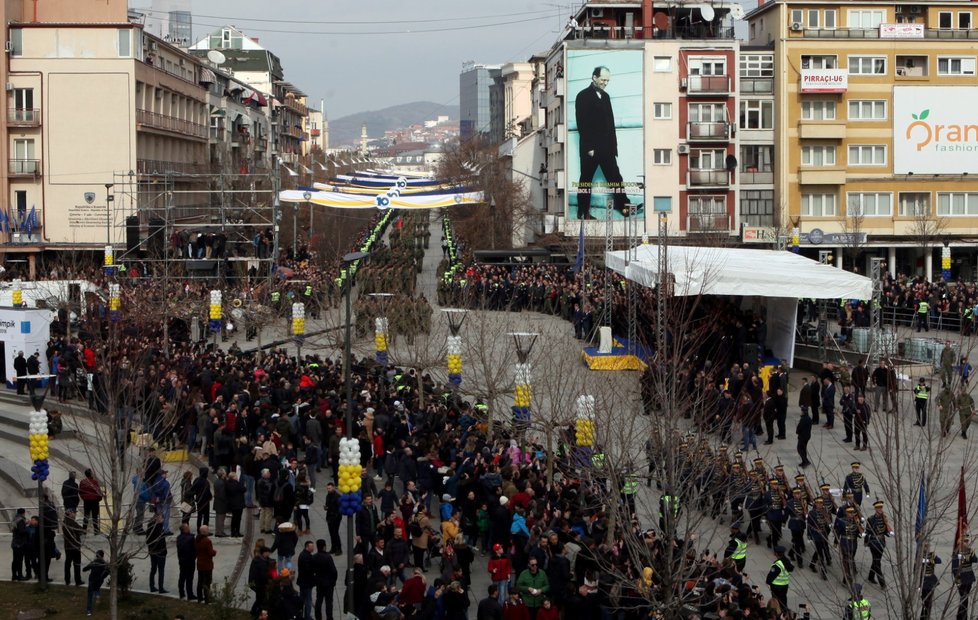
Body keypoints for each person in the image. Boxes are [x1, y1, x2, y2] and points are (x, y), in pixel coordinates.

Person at [573, 66, 630, 220]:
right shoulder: (582, 96)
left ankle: (624, 207)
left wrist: (614, 147)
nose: (605, 83)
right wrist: (589, 147)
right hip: (591, 149)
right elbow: (582, 123)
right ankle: (583, 212)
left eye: (607, 80)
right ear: (594, 78)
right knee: (586, 181)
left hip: (607, 148)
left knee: (616, 178)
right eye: (603, 80)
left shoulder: (606, 97)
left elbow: (610, 124)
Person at [865, 500, 892, 588]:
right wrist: (866, 543)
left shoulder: (884, 518)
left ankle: (870, 576)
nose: (880, 509)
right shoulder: (871, 519)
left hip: (881, 542)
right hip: (873, 542)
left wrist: (886, 522)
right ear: (875, 509)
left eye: (881, 507)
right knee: (877, 563)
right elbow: (868, 531)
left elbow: (888, 531)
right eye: (878, 508)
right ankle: (882, 583)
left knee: (876, 560)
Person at [312, 539, 338, 620]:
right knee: (329, 602)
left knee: (319, 600)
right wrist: (333, 581)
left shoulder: (314, 557)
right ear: (324, 546)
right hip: (328, 583)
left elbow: (312, 570)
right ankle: (329, 617)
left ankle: (318, 616)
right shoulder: (328, 557)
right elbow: (334, 571)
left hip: (319, 582)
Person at [953, 534, 976, 620]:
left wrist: (971, 554)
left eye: (967, 541)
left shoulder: (970, 551)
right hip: (961, 578)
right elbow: (954, 568)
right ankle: (962, 617)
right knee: (964, 598)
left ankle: (961, 616)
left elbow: (975, 560)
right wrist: (957, 579)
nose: (966, 543)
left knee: (965, 598)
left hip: (969, 577)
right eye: (964, 541)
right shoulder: (957, 553)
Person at [147, 513, 168, 593]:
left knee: (153, 569)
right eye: (162, 519)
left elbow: (148, 540)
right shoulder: (158, 527)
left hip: (152, 551)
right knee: (161, 570)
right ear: (157, 519)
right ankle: (161, 588)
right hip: (160, 552)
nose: (163, 520)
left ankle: (152, 586)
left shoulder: (150, 527)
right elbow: (160, 540)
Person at [195, 524, 216, 604]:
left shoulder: (197, 539)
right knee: (207, 582)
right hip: (207, 564)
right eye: (207, 530)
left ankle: (199, 598)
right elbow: (210, 552)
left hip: (200, 563)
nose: (208, 531)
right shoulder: (207, 541)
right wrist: (214, 552)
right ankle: (207, 599)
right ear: (204, 532)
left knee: (200, 581)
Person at [249, 546, 272, 617]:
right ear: (264, 553)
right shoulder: (261, 563)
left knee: (260, 598)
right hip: (258, 584)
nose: (269, 554)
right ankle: (255, 612)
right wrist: (268, 583)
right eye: (268, 553)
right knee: (260, 599)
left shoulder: (259, 559)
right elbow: (263, 576)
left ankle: (255, 611)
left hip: (255, 583)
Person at [83, 549, 108, 616]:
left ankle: (89, 611)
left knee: (90, 595)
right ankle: (97, 595)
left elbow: (85, 569)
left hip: (92, 579)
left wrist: (86, 568)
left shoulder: (94, 562)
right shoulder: (104, 564)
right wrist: (102, 577)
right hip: (99, 580)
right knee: (97, 588)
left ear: (96, 556)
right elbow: (107, 572)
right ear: (103, 556)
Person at [175, 522, 196, 600]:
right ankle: (190, 594)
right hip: (190, 561)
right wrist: (194, 557)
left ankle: (181, 593)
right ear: (185, 529)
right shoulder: (191, 538)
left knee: (182, 577)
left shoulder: (178, 538)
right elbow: (195, 550)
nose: (189, 528)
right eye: (188, 527)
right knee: (189, 578)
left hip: (182, 560)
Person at [62, 508, 83, 586]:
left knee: (68, 563)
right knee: (77, 564)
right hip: (75, 546)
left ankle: (67, 580)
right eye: (74, 513)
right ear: (70, 514)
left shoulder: (64, 522)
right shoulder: (72, 523)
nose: (75, 514)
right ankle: (78, 580)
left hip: (68, 546)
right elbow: (81, 530)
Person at [920, 544, 942, 620]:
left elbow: (939, 561)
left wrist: (933, 558)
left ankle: (926, 617)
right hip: (923, 580)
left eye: (928, 546)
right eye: (925, 546)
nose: (927, 548)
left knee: (929, 602)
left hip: (931, 580)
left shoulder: (932, 555)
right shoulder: (920, 556)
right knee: (925, 602)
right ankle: (923, 617)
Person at [297, 540, 317, 620]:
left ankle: (301, 615)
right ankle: (307, 617)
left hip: (303, 582)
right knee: (308, 600)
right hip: (306, 582)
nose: (313, 548)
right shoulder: (306, 556)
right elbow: (308, 569)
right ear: (307, 547)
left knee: (302, 599)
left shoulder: (304, 554)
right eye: (311, 546)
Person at [79, 468, 102, 534]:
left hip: (87, 501)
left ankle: (84, 530)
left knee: (86, 516)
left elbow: (80, 492)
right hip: (94, 501)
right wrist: (99, 499)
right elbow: (98, 492)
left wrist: (84, 498)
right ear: (91, 474)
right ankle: (96, 530)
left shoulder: (83, 482)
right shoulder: (95, 482)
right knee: (95, 516)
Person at [323, 481, 342, 555]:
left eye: (330, 488)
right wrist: (326, 508)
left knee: (335, 533)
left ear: (333, 487)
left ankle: (339, 549)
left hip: (336, 517)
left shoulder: (337, 496)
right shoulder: (328, 495)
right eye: (327, 488)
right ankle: (333, 548)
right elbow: (328, 505)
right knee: (331, 533)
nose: (328, 490)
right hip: (329, 517)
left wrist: (336, 515)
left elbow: (339, 508)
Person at [10, 507, 29, 581]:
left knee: (15, 560)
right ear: (23, 513)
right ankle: (20, 575)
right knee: (19, 560)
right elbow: (21, 531)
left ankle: (14, 575)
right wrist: (27, 529)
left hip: (14, 542)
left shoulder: (15, 519)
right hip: (19, 543)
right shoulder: (21, 520)